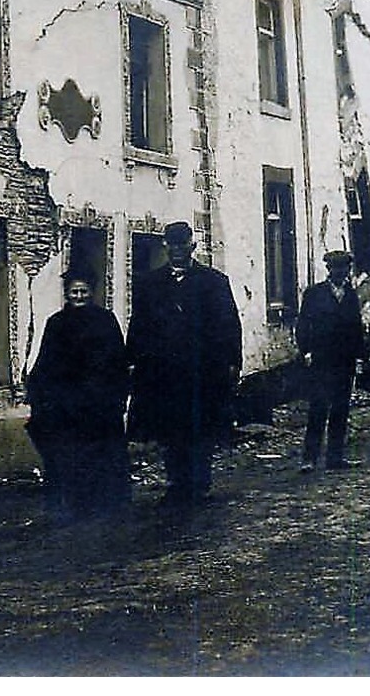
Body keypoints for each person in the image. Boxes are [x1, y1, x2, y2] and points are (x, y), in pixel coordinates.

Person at [126, 221, 243, 508]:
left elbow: (230, 324)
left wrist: (232, 362)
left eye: (183, 245)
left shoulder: (214, 281)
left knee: (200, 428)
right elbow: (138, 325)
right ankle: (177, 483)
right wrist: (132, 361)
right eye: (172, 245)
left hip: (202, 371)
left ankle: (199, 483)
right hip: (165, 372)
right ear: (165, 247)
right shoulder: (150, 284)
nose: (178, 251)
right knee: (170, 429)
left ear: (192, 246)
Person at [25, 269, 131, 521]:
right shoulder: (56, 323)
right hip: (70, 404)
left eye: (83, 291)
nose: (79, 296)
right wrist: (38, 391)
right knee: (73, 455)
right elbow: (46, 360)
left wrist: (119, 394)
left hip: (101, 402)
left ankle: (109, 504)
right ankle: (76, 505)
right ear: (67, 294)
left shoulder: (105, 320)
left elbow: (118, 359)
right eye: (74, 292)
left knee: (103, 454)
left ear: (91, 293)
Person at [296, 250, 366, 470]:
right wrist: (306, 351)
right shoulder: (314, 294)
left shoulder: (351, 295)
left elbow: (356, 328)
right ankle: (310, 458)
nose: (340, 273)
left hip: (344, 360)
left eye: (344, 269)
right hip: (321, 359)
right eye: (336, 269)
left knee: (340, 409)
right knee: (318, 408)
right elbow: (303, 325)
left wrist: (360, 356)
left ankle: (335, 457)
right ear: (329, 270)